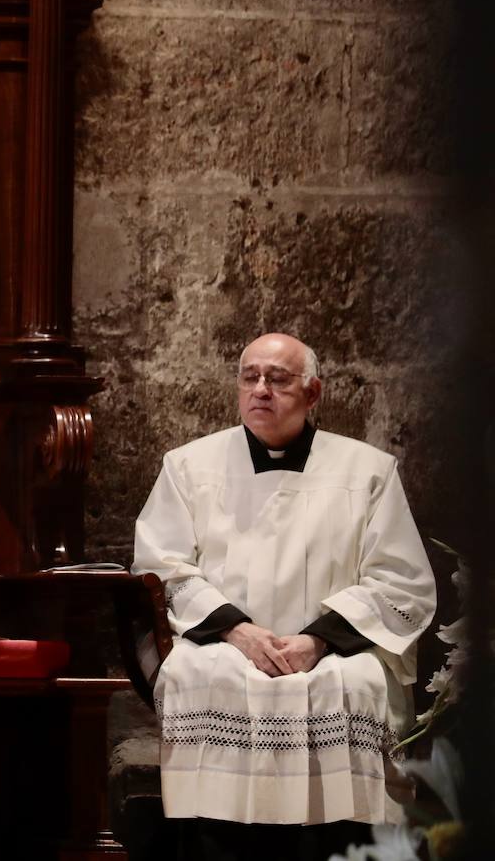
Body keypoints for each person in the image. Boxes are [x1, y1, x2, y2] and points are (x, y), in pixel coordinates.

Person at [133, 332, 437, 861]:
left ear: (313, 392)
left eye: (278, 379)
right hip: (224, 646)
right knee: (201, 677)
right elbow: (162, 568)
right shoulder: (188, 466)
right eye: (250, 377)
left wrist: (317, 642)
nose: (261, 390)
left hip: (334, 653)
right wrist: (237, 631)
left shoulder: (366, 471)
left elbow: (400, 581)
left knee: (359, 682)